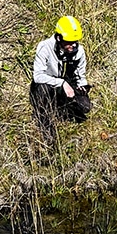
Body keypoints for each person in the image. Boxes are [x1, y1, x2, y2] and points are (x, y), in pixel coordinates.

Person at [30, 15, 92, 145]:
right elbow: (38, 76)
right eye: (69, 42)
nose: (73, 45)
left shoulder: (79, 51)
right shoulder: (44, 47)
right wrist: (61, 83)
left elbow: (81, 75)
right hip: (47, 86)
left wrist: (82, 87)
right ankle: (44, 120)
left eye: (75, 41)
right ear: (59, 38)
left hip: (67, 84)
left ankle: (62, 109)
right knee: (42, 88)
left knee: (85, 107)